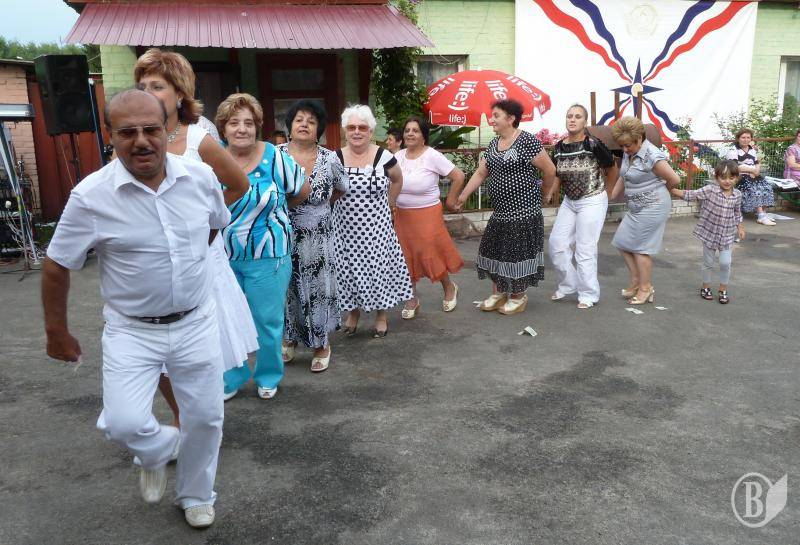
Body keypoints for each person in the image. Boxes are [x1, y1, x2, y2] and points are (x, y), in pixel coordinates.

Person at [42, 90, 227, 528]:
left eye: (150, 130)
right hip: (132, 329)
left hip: (196, 321)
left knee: (205, 418)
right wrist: (56, 332)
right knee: (124, 423)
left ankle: (196, 495)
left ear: (167, 130)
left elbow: (214, 226)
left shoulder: (200, 178)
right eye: (128, 133)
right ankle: (157, 449)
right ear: (110, 135)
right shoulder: (91, 196)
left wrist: (184, 273)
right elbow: (57, 264)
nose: (141, 141)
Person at [134, 48, 256, 421]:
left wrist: (205, 223)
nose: (148, 92)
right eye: (142, 85)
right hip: (152, 258)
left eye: (157, 85)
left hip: (199, 259)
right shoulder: (133, 138)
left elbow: (238, 184)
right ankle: (181, 416)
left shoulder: (197, 140)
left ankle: (198, 420)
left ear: (179, 94)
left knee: (199, 349)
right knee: (155, 349)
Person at [215, 93, 310, 400]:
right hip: (222, 256)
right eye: (234, 123)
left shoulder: (274, 156)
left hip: (269, 256)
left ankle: (268, 376)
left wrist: (275, 214)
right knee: (226, 321)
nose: (241, 129)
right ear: (224, 128)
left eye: (248, 123)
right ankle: (232, 377)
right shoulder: (213, 158)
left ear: (257, 126)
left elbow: (301, 190)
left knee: (267, 322)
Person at [455, 99, 557, 315]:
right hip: (500, 212)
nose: (491, 120)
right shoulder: (494, 143)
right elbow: (481, 172)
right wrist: (463, 195)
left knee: (516, 253)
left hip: (523, 211)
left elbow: (549, 169)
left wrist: (546, 193)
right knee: (494, 250)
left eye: (496, 116)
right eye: (491, 115)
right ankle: (499, 292)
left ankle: (519, 296)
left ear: (511, 119)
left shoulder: (526, 141)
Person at [279, 100, 348, 372]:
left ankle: (321, 344)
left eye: (311, 121)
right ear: (290, 126)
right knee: (287, 287)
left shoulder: (329, 158)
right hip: (283, 231)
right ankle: (290, 337)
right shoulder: (276, 154)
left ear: (318, 128)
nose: (304, 124)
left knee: (319, 289)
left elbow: (342, 187)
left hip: (319, 236)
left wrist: (320, 208)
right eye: (299, 119)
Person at [333, 104, 413, 337]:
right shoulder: (335, 158)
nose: (357, 132)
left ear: (371, 131)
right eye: (351, 127)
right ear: (345, 131)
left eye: (362, 127)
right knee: (347, 272)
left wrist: (391, 203)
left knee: (377, 271)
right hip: (345, 230)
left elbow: (397, 180)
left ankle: (381, 316)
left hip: (376, 229)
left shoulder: (384, 156)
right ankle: (353, 314)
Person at [394, 116, 464, 319]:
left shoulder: (432, 155)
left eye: (415, 130)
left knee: (430, 253)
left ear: (424, 136)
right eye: (407, 130)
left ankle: (449, 287)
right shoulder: (397, 156)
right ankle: (412, 298)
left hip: (428, 213)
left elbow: (458, 176)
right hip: (402, 214)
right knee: (405, 256)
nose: (410, 134)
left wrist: (451, 201)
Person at [549, 104, 618, 309]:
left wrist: (609, 192)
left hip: (592, 199)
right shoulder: (559, 147)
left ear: (585, 121)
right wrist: (551, 192)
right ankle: (569, 284)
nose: (572, 119)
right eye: (569, 116)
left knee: (585, 248)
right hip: (569, 201)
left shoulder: (593, 144)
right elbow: (557, 174)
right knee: (556, 244)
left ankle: (588, 294)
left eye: (577, 116)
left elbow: (612, 168)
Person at [609, 116, 681, 305]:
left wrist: (659, 192)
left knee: (641, 249)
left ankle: (645, 288)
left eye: (628, 145)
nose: (625, 150)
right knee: (622, 242)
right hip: (636, 207)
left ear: (639, 138)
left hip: (653, 206)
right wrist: (611, 196)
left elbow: (675, 179)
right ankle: (636, 281)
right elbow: (624, 176)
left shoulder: (652, 155)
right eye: (622, 146)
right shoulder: (629, 152)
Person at [670, 160, 745, 304]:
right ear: (717, 178)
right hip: (709, 233)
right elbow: (691, 194)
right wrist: (672, 189)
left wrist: (740, 227)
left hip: (727, 234)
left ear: (737, 178)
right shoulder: (710, 190)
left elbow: (737, 212)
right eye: (723, 177)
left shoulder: (737, 194)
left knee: (725, 263)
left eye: (731, 177)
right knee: (708, 262)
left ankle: (723, 289)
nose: (727, 181)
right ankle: (705, 287)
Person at [725, 128, 775, 226]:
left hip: (752, 175)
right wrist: (752, 170)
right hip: (739, 177)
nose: (746, 139)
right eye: (743, 137)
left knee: (767, 187)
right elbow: (735, 167)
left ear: (751, 138)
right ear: (738, 138)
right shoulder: (733, 150)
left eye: (748, 137)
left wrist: (756, 171)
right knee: (755, 189)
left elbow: (757, 163)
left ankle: (763, 213)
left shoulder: (752, 150)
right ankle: (761, 216)